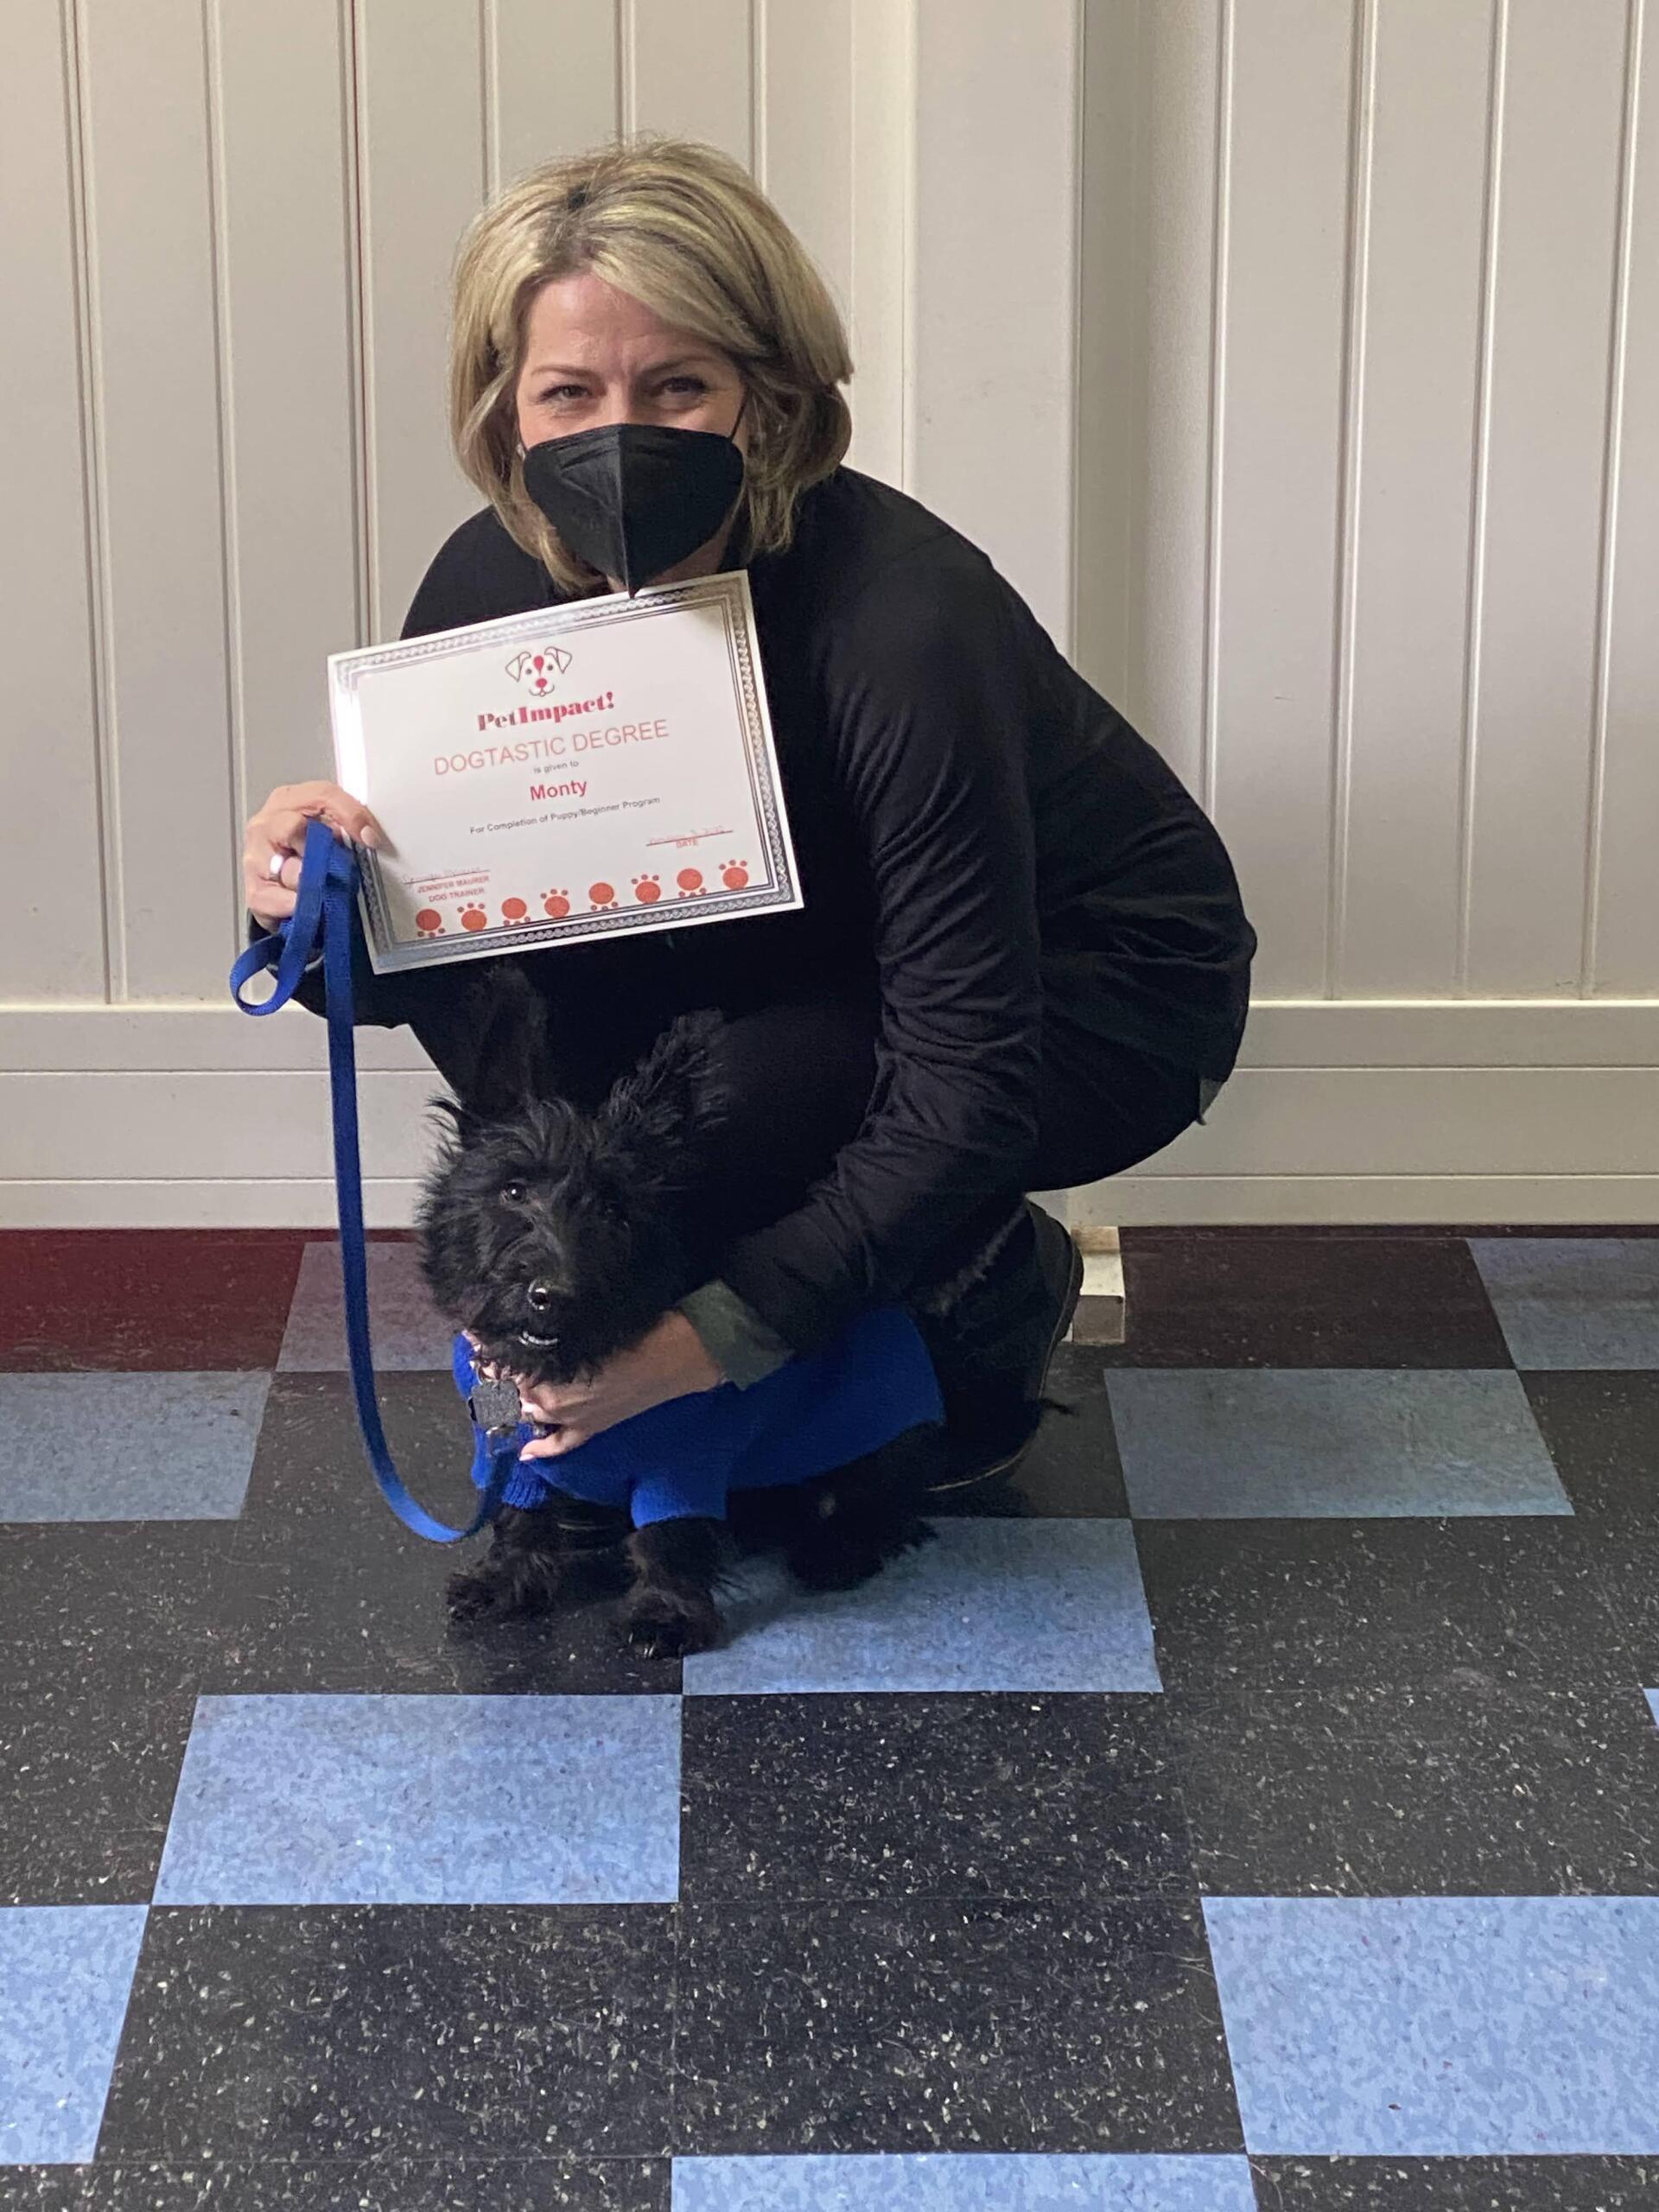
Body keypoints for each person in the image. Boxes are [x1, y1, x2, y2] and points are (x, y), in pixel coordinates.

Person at [241, 137, 1255, 1491]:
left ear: (767, 399)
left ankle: (985, 1286)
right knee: (571, 1069)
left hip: (1093, 996)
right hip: (798, 940)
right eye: (568, 390)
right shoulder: (491, 583)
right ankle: (786, 1302)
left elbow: (966, 1066)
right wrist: (314, 908)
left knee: (728, 1113)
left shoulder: (904, 620)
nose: (621, 432)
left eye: (678, 385)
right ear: (505, 410)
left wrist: (710, 1336)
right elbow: (445, 979)